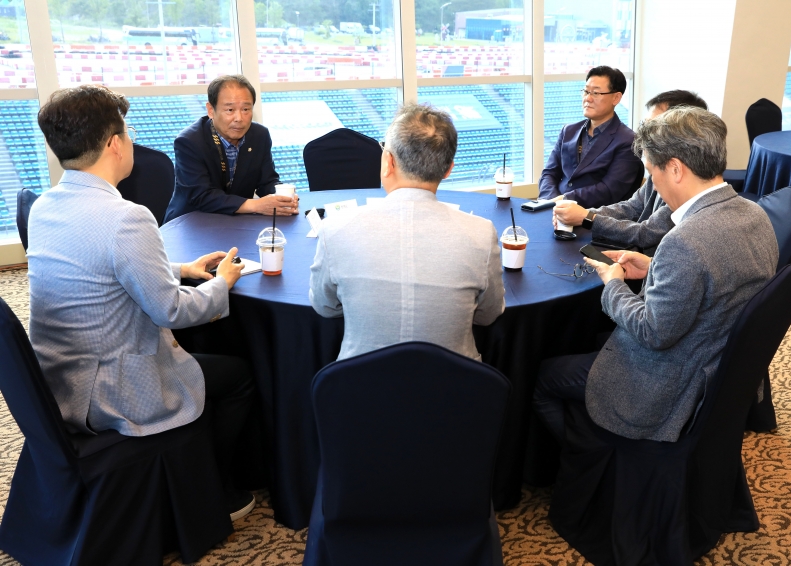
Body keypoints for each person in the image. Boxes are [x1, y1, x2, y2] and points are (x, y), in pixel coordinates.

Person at [29, 84, 257, 522]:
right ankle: (209, 492)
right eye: (128, 133)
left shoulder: (45, 205)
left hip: (60, 381)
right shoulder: (127, 217)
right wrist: (222, 283)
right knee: (239, 376)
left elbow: (97, 266)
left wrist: (180, 268)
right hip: (114, 391)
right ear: (114, 144)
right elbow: (173, 311)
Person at [534, 107, 778, 444]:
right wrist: (653, 265)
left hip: (671, 384)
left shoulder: (685, 241)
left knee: (544, 378)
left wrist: (613, 283)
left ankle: (593, 455)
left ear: (675, 169)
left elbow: (653, 333)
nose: (653, 186)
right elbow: (724, 276)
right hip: (718, 369)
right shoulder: (756, 214)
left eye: (651, 172)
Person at [309, 103, 505, 361]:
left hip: (359, 381)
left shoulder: (334, 229)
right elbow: (488, 314)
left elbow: (324, 307)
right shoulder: (481, 234)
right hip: (456, 382)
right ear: (448, 169)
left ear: (388, 162)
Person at [552, 90, 709, 255]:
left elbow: (646, 233)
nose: (644, 134)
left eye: (652, 127)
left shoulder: (687, 187)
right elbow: (631, 207)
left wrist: (588, 218)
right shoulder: (661, 169)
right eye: (645, 125)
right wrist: (585, 215)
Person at [164, 74, 298, 222]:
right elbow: (201, 196)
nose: (239, 118)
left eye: (246, 109)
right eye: (230, 110)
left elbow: (266, 182)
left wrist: (283, 198)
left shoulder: (259, 135)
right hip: (192, 222)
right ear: (211, 110)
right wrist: (256, 205)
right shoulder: (189, 141)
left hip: (236, 221)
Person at [538, 65, 644, 207]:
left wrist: (564, 200)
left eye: (595, 93)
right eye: (586, 91)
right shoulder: (568, 131)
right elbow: (549, 173)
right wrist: (550, 202)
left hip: (593, 215)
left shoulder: (629, 140)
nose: (588, 98)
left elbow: (609, 190)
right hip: (553, 209)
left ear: (616, 98)